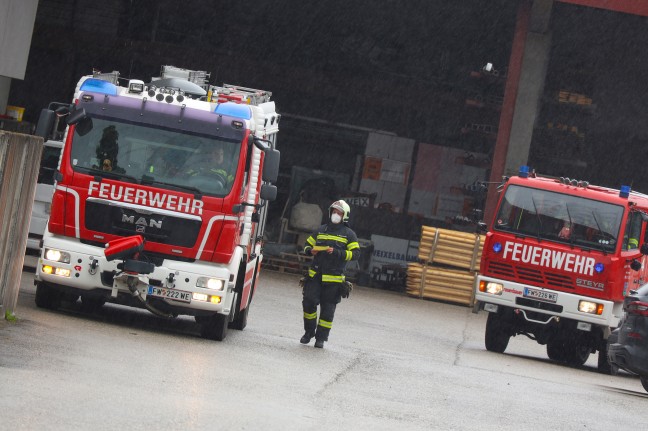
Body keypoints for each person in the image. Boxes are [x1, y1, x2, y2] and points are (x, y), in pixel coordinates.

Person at [300, 200, 360, 348]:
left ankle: (321, 339)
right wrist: (310, 250)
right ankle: (309, 332)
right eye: (334, 211)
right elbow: (307, 244)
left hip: (334, 280)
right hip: (315, 276)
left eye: (339, 213)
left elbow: (356, 254)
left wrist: (338, 252)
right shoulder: (321, 230)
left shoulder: (349, 234)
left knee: (327, 311)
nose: (335, 215)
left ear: (344, 216)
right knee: (308, 303)